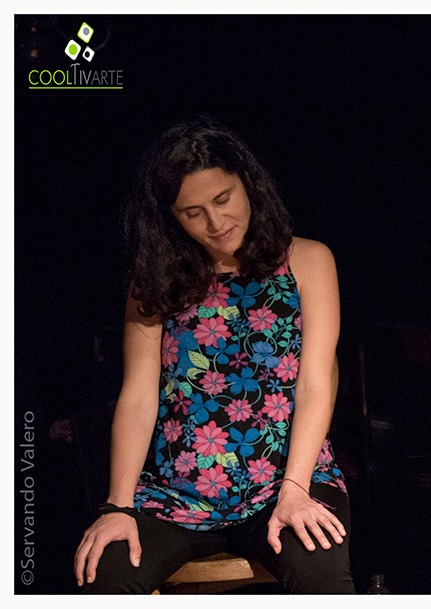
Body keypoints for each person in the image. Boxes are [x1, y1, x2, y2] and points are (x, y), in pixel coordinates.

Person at [73, 117, 355, 594]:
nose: (216, 222)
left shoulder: (308, 260)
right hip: (177, 491)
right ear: (170, 217)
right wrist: (118, 506)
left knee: (320, 573)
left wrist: (296, 489)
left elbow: (315, 384)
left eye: (223, 200)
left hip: (285, 481)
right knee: (106, 572)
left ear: (247, 184)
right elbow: (139, 398)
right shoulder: (154, 282)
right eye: (193, 212)